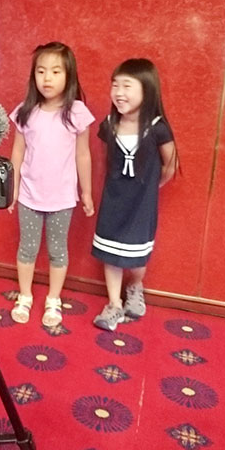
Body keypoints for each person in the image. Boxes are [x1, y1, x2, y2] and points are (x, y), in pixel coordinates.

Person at [7, 41, 95, 328]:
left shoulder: (76, 112)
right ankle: (25, 295)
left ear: (69, 76)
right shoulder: (26, 111)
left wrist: (86, 192)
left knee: (58, 250)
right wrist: (12, 188)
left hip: (62, 198)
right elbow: (18, 152)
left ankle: (53, 299)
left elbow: (83, 154)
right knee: (27, 248)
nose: (47, 78)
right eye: (41, 71)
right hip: (29, 195)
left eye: (56, 71)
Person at [91, 58, 178, 331]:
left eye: (127, 86)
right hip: (114, 200)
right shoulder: (108, 125)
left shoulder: (157, 127)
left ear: (147, 89)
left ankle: (135, 285)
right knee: (109, 253)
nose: (119, 92)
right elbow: (105, 161)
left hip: (142, 204)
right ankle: (114, 304)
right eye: (115, 85)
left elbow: (170, 165)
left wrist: (151, 188)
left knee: (137, 256)